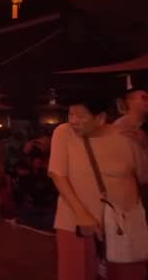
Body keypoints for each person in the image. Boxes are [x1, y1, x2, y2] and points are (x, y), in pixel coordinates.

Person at [49, 94, 148, 280]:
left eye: (81, 116)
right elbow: (58, 175)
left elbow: (143, 176)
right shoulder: (64, 133)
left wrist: (144, 146)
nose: (74, 121)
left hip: (122, 226)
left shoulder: (125, 137)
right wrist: (81, 214)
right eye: (71, 115)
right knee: (78, 273)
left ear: (100, 118)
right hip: (76, 225)